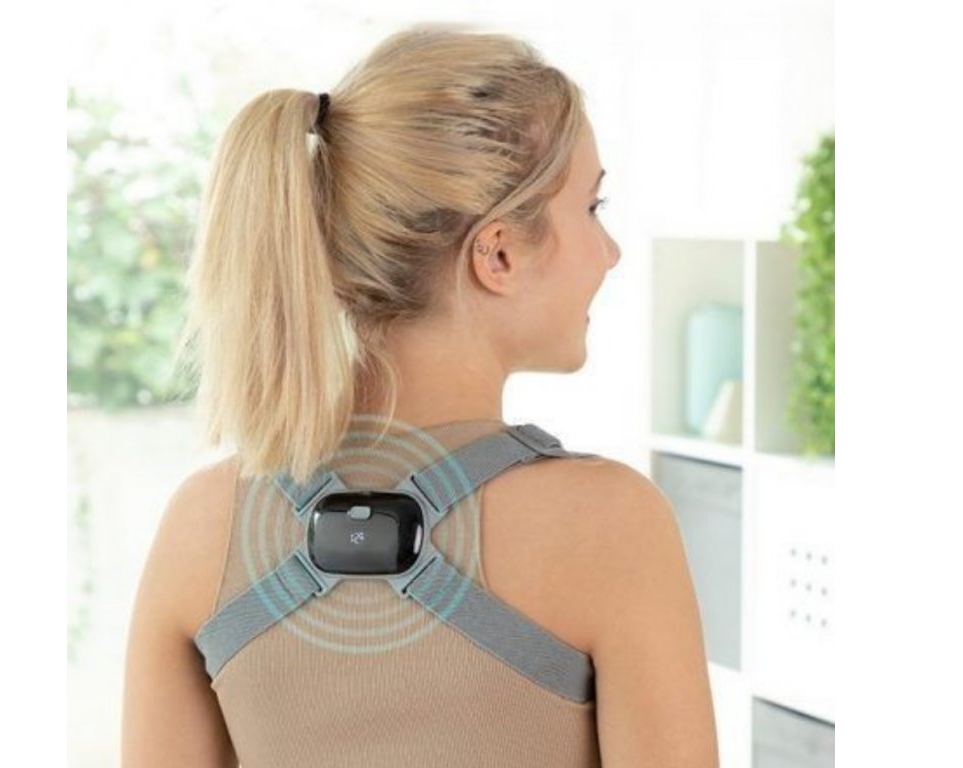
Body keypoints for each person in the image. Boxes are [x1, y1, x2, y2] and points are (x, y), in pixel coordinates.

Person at [121, 21, 718, 768]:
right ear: (498, 252)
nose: (610, 252)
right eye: (592, 209)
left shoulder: (201, 524)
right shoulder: (610, 524)